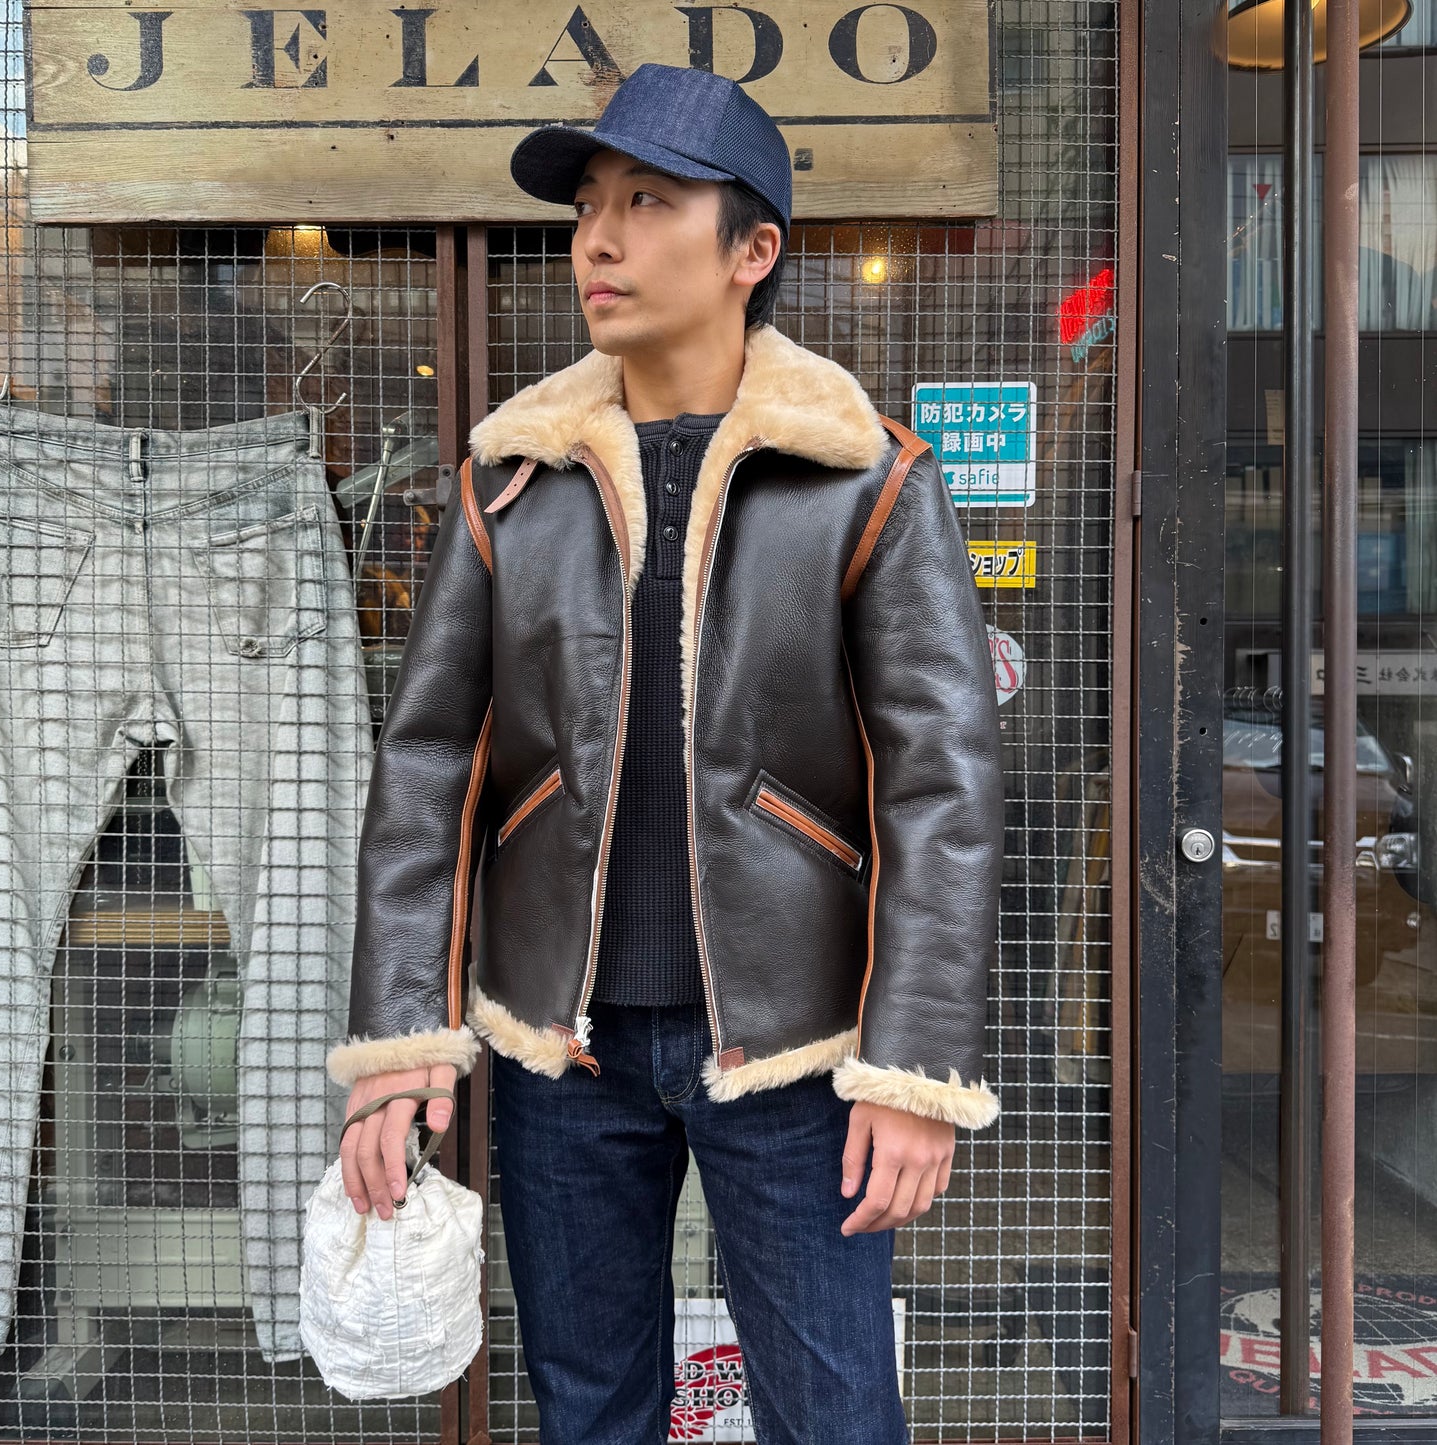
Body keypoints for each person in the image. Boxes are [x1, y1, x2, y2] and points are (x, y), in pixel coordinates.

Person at [327, 61, 1003, 1445]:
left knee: (834, 1413)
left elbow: (939, 787)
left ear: (753, 251)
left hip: (793, 1047)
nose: (600, 239)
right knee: (590, 1411)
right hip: (560, 1051)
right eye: (588, 206)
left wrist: (913, 1067)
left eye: (647, 202)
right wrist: (402, 1049)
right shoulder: (513, 482)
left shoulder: (866, 481)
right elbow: (429, 769)